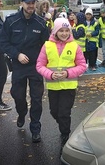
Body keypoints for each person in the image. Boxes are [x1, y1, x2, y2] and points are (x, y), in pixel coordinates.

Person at [0, 0, 50, 143]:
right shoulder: (11, 21)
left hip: (35, 67)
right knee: (18, 95)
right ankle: (21, 113)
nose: (31, 5)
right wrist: (17, 54)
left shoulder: (41, 23)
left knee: (36, 99)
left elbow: (46, 46)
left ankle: (35, 128)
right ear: (21, 3)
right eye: (28, 3)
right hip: (18, 66)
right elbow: (3, 43)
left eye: (33, 3)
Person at [36, 17, 86, 150]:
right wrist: (51, 74)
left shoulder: (74, 46)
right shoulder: (47, 46)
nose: (64, 33)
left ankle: (65, 134)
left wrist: (68, 73)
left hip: (69, 86)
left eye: (66, 30)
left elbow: (82, 66)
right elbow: (40, 65)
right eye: (61, 30)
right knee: (54, 111)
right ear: (55, 32)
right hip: (53, 86)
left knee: (64, 112)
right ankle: (63, 124)